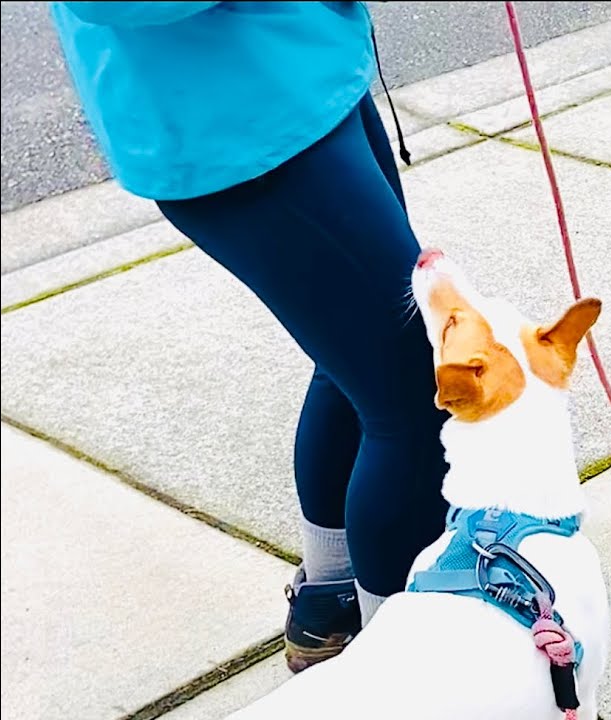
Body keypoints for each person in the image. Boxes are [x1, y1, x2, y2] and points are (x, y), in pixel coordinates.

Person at [51, 1, 450, 672]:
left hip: (301, 67)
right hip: (235, 115)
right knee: (414, 393)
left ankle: (331, 602)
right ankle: (405, 676)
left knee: (359, 366)